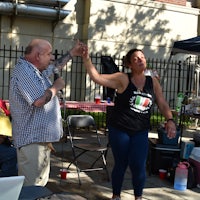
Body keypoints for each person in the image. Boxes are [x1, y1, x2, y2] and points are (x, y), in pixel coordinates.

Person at [81, 47, 177, 200]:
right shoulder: (123, 79)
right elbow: (97, 78)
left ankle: (138, 197)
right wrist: (86, 59)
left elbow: (162, 103)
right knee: (121, 163)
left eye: (142, 57)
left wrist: (170, 120)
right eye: (136, 59)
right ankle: (116, 196)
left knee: (138, 165)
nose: (140, 60)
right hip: (120, 129)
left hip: (140, 130)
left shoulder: (153, 82)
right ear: (130, 64)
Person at [9, 39, 83, 186]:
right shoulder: (24, 72)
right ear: (38, 56)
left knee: (39, 185)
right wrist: (56, 87)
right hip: (32, 141)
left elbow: (55, 66)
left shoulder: (35, 71)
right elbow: (38, 101)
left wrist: (72, 53)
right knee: (31, 188)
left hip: (39, 139)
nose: (52, 57)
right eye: (49, 54)